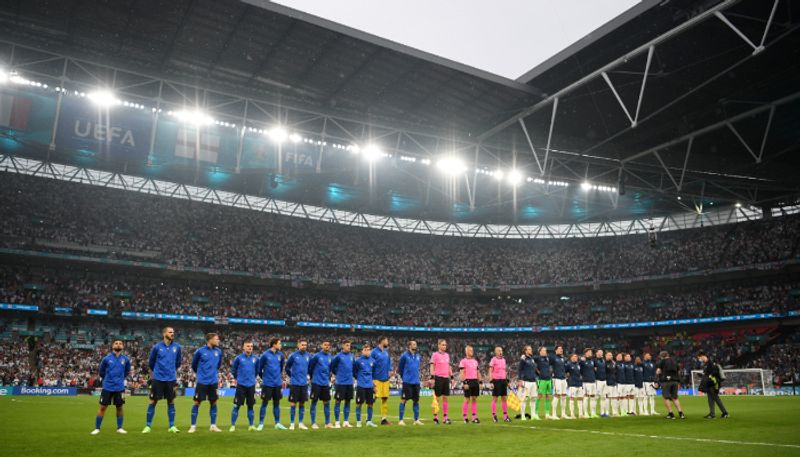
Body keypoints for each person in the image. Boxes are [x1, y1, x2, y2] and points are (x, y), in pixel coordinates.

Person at [143, 327, 181, 434]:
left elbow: (178, 362)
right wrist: (157, 372)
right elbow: (151, 362)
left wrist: (171, 371)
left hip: (171, 379)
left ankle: (172, 426)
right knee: (153, 401)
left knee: (171, 401)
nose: (172, 333)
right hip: (158, 378)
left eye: (173, 332)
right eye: (170, 332)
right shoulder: (157, 347)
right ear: (164, 334)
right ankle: (148, 426)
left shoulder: (177, 347)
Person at [91, 339, 131, 435]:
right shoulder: (106, 359)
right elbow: (101, 372)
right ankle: (97, 428)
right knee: (103, 407)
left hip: (120, 387)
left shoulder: (125, 359)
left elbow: (127, 371)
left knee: (120, 407)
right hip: (107, 387)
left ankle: (120, 428)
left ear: (122, 346)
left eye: (120, 343)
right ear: (112, 346)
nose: (118, 345)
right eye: (116, 343)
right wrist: (108, 380)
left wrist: (119, 379)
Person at [189, 333, 223, 433]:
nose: (218, 341)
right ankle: (193, 426)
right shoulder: (200, 351)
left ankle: (213, 426)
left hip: (213, 381)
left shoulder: (219, 351)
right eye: (216, 339)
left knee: (214, 402)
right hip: (202, 381)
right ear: (210, 340)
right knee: (197, 402)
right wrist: (201, 374)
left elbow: (218, 365)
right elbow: (194, 365)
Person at [257, 337, 287, 430]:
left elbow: (281, 367)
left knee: (276, 403)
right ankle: (261, 423)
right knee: (264, 403)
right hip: (267, 384)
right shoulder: (265, 355)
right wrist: (265, 378)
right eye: (279, 343)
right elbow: (259, 369)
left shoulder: (280, 355)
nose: (281, 345)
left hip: (277, 384)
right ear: (274, 344)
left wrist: (277, 378)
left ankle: (277, 423)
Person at [229, 340, 258, 432]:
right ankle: (233, 425)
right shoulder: (238, 358)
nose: (250, 348)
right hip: (241, 386)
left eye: (251, 346)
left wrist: (252, 379)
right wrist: (239, 379)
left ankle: (251, 425)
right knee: (236, 406)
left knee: (251, 406)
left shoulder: (256, 359)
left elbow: (257, 371)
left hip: (251, 385)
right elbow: (233, 371)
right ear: (243, 347)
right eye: (248, 346)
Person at [285, 338, 311, 430]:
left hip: (304, 384)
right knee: (293, 403)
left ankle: (300, 423)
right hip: (295, 383)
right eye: (302, 344)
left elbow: (310, 368)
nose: (304, 346)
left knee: (302, 404)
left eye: (305, 345)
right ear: (298, 345)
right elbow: (287, 367)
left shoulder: (308, 356)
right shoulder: (293, 356)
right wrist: (292, 376)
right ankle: (292, 423)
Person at [396, 340, 423, 426]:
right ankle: (400, 420)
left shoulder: (418, 356)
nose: (415, 345)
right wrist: (404, 377)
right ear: (409, 346)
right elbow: (400, 368)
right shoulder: (404, 356)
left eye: (416, 344)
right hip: (407, 382)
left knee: (416, 401)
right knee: (403, 400)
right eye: (414, 344)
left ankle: (416, 420)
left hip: (416, 382)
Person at [308, 341, 333, 429]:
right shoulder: (316, 356)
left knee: (327, 403)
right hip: (316, 382)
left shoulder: (330, 357)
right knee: (314, 402)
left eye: (328, 345)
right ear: (322, 346)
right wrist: (312, 377)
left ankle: (327, 423)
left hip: (325, 383)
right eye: (325, 345)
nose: (327, 346)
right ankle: (313, 423)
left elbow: (330, 369)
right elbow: (310, 367)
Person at [331, 340, 355, 428]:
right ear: (343, 346)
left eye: (349, 345)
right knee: (338, 401)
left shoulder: (352, 356)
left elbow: (353, 368)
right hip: (340, 382)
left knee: (348, 401)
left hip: (349, 382)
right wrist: (338, 374)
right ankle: (337, 422)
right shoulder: (338, 356)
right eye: (347, 345)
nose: (349, 347)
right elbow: (332, 367)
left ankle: (346, 421)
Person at [698, 351, 729, 419]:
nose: (699, 359)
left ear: (703, 356)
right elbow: (708, 374)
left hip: (713, 383)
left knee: (716, 398)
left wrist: (709, 375)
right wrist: (703, 375)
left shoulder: (711, 363)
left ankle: (725, 413)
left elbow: (714, 373)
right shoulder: (706, 364)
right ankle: (712, 414)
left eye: (699, 358)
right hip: (709, 383)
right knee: (710, 399)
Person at [354, 343, 378, 427]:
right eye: (365, 350)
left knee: (370, 404)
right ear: (362, 351)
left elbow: (374, 373)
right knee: (359, 404)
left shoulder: (373, 361)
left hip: (370, 386)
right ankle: (358, 421)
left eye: (368, 350)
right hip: (361, 385)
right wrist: (360, 379)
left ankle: (369, 421)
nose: (367, 352)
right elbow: (354, 372)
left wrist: (373, 384)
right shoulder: (358, 361)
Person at [656, 350, 685, 420]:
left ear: (662, 356)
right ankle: (681, 413)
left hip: (666, 381)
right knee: (675, 398)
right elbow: (678, 371)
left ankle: (671, 414)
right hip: (675, 381)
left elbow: (658, 371)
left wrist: (658, 377)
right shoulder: (674, 361)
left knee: (666, 397)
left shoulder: (662, 361)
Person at [429, 339, 452, 424]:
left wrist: (452, 377)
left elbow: (449, 366)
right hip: (438, 377)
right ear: (438, 345)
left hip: (446, 378)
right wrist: (432, 377)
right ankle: (435, 417)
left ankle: (445, 417)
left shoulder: (447, 355)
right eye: (442, 345)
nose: (444, 346)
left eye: (445, 345)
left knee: (445, 398)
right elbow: (432, 366)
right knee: (437, 398)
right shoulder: (435, 355)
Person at [371, 336, 392, 425]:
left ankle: (384, 419)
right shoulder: (374, 352)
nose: (388, 342)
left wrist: (390, 370)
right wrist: (371, 379)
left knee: (385, 399)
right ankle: (369, 419)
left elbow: (389, 363)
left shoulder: (386, 353)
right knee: (372, 399)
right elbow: (370, 364)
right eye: (387, 340)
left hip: (385, 379)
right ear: (382, 341)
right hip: (376, 379)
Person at [458, 344, 481, 424]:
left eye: (472, 350)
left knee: (474, 399)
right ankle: (465, 417)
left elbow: (478, 372)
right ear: (467, 351)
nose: (472, 352)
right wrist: (465, 382)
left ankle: (474, 417)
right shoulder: (463, 361)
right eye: (470, 350)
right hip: (468, 381)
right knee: (467, 399)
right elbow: (461, 373)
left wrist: (480, 382)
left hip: (475, 381)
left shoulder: (475, 361)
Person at [488, 346, 511, 423]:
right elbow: (490, 371)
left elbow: (504, 371)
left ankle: (505, 416)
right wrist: (491, 382)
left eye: (501, 350)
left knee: (504, 398)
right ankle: (494, 415)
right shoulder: (493, 360)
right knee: (495, 398)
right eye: (499, 350)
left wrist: (507, 381)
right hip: (496, 380)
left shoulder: (504, 360)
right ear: (496, 352)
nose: (501, 352)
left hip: (503, 381)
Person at [517, 345, 538, 420]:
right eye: (529, 349)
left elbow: (534, 370)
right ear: (526, 351)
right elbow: (519, 369)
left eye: (531, 349)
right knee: (524, 399)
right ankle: (522, 415)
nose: (531, 350)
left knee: (533, 399)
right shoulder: (523, 358)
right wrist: (520, 379)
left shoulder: (532, 359)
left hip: (533, 381)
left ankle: (533, 415)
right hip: (526, 381)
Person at [534, 346, 554, 419]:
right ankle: (535, 414)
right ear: (540, 352)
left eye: (545, 350)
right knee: (539, 396)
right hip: (541, 380)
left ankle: (547, 414)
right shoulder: (537, 358)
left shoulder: (548, 358)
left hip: (548, 379)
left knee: (548, 396)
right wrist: (537, 372)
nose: (545, 352)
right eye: (543, 350)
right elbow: (532, 363)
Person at [564, 353, 584, 419]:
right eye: (574, 357)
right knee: (572, 399)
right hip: (572, 384)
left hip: (579, 384)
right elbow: (565, 371)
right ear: (571, 358)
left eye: (576, 357)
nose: (575, 358)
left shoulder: (578, 365)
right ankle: (572, 414)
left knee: (580, 399)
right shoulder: (569, 365)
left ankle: (581, 414)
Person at [549, 346, 566, 420]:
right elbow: (547, 364)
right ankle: (553, 414)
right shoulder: (553, 357)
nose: (561, 350)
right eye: (559, 349)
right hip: (557, 379)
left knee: (564, 396)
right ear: (555, 350)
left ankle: (563, 414)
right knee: (557, 395)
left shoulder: (562, 358)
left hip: (563, 379)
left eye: (562, 349)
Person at [579, 348, 597, 418]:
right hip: (586, 381)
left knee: (593, 397)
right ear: (585, 353)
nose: (590, 353)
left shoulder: (592, 361)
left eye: (591, 352)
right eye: (589, 352)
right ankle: (585, 413)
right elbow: (579, 369)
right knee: (586, 397)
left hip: (593, 381)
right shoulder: (582, 361)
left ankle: (593, 413)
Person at [604, 351, 619, 417]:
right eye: (609, 355)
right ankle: (607, 412)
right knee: (607, 398)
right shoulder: (604, 363)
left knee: (614, 398)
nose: (610, 356)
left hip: (614, 382)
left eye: (611, 355)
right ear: (606, 356)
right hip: (607, 383)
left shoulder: (614, 363)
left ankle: (614, 412)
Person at [594, 349, 608, 417]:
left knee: (603, 397)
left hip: (604, 381)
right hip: (597, 380)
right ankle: (593, 412)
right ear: (596, 353)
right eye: (599, 352)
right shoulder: (594, 360)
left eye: (601, 352)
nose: (600, 353)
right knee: (596, 397)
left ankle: (602, 412)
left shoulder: (604, 361)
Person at [614, 353, 626, 417]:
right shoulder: (615, 364)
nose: (620, 357)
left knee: (623, 398)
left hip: (623, 383)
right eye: (618, 356)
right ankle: (616, 412)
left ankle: (622, 411)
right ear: (616, 357)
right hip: (618, 383)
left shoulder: (623, 364)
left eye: (621, 356)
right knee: (617, 398)